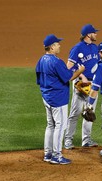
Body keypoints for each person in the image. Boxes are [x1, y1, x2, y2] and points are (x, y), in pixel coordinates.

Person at [36, 34, 85, 165]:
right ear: (51, 47)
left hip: (46, 97)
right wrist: (80, 70)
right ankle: (57, 155)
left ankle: (48, 154)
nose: (59, 45)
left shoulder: (41, 60)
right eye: (57, 44)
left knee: (50, 125)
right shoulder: (57, 62)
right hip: (58, 99)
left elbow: (39, 80)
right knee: (60, 126)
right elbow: (68, 77)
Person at [64, 24, 99, 149]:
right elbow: (68, 66)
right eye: (94, 33)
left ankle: (86, 140)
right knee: (75, 112)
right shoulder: (77, 48)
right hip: (81, 84)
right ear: (88, 34)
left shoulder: (95, 48)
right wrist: (81, 75)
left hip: (93, 85)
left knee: (89, 112)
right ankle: (68, 140)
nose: (96, 34)